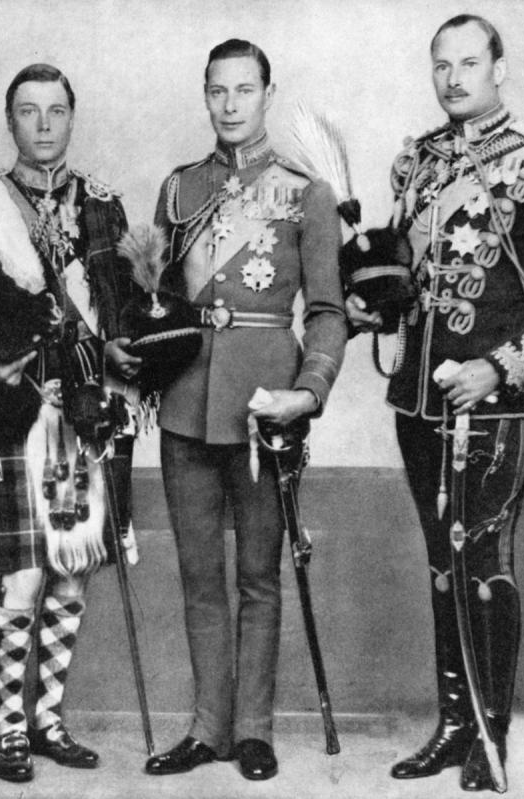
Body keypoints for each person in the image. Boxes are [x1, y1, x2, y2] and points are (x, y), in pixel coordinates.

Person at [347, 14, 524, 793]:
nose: (454, 79)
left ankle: (491, 738)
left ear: (498, 68)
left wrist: (498, 368)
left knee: (483, 560)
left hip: (495, 400)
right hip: (420, 398)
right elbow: (403, 281)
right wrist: (370, 303)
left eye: (468, 64)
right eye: (441, 65)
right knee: (441, 563)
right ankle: (453, 726)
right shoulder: (416, 163)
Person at [0, 63, 140, 784]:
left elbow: (125, 314)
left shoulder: (103, 207)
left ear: (72, 117)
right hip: (15, 414)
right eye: (28, 112)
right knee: (22, 579)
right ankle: (10, 725)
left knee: (72, 577)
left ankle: (48, 718)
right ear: (9, 120)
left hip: (86, 411)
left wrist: (126, 357)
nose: (43, 125)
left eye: (55, 111)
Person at [143, 39, 347, 782]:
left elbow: (327, 312)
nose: (231, 105)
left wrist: (308, 390)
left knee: (258, 576)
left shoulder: (305, 192)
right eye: (218, 91)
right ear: (206, 96)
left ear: (266, 94)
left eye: (244, 90)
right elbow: (156, 303)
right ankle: (207, 727)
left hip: (267, 409)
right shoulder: (178, 191)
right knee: (200, 576)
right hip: (186, 404)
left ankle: (254, 729)